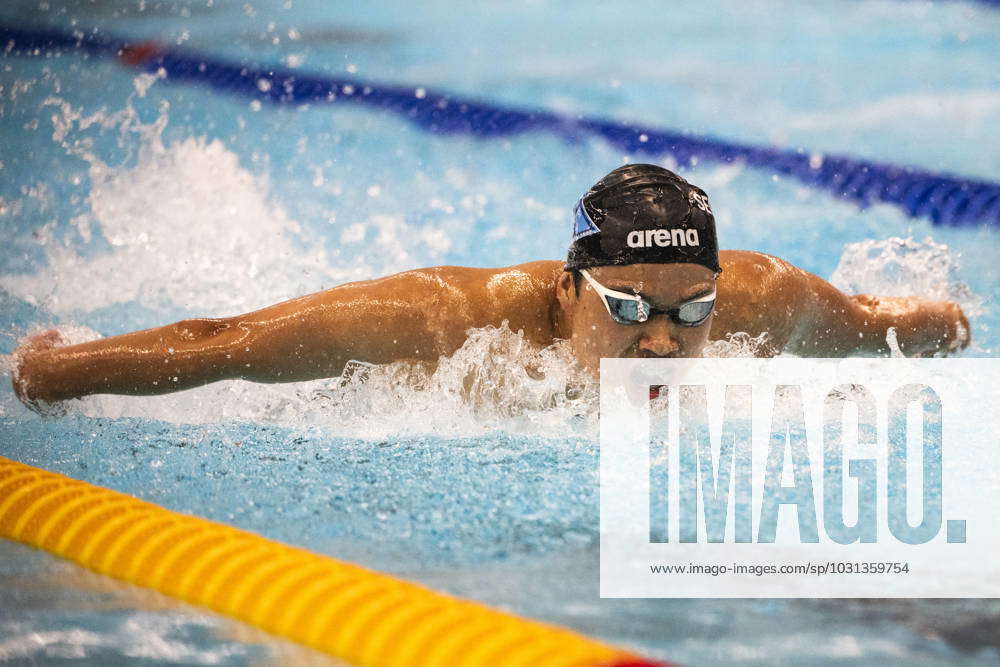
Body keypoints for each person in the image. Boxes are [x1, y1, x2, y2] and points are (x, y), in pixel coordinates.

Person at [11, 164, 969, 411]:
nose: (668, 343)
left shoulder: (757, 296)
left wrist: (947, 327)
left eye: (691, 312)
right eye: (633, 312)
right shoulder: (448, 321)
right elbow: (224, 341)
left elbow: (881, 324)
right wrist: (50, 373)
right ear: (570, 287)